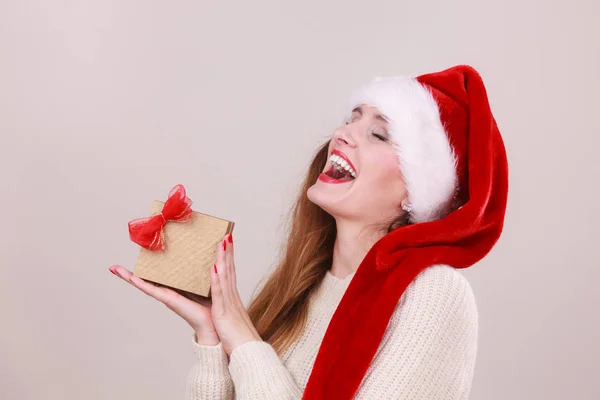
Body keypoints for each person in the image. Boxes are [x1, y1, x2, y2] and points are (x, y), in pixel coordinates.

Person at [109, 64, 508, 399]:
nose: (343, 133)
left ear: (415, 192)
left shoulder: (432, 294)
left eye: (379, 134)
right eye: (352, 118)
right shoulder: (305, 285)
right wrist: (213, 337)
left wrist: (245, 340)